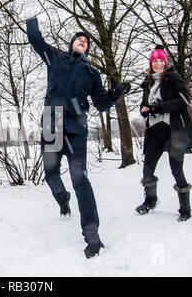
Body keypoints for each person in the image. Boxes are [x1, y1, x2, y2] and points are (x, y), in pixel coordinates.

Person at [26, 17, 130, 258]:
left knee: (80, 179)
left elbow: (101, 104)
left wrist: (114, 94)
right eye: (79, 38)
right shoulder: (56, 58)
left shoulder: (92, 73)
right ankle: (63, 199)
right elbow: (36, 40)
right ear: (72, 43)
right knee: (51, 174)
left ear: (87, 49)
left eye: (86, 41)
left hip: (75, 127)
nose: (82, 40)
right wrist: (32, 21)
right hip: (53, 122)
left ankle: (92, 233)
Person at [136, 45, 192, 222]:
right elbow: (143, 104)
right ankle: (150, 200)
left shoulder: (173, 77)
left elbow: (185, 100)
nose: (159, 63)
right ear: (151, 63)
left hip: (173, 130)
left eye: (162, 60)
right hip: (155, 131)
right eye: (155, 61)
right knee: (147, 168)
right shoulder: (148, 83)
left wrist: (159, 107)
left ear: (166, 62)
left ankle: (185, 209)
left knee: (176, 169)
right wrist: (145, 110)